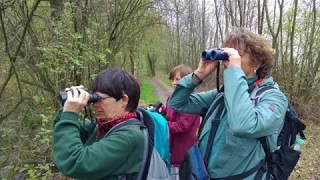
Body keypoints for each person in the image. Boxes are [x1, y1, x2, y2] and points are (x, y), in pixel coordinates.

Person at [168, 30, 288, 179]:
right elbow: (177, 103)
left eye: (238, 55)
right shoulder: (223, 94)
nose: (229, 60)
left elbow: (243, 125)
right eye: (228, 55)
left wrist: (234, 72)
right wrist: (199, 73)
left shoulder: (274, 98)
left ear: (257, 61)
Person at [53, 68, 145, 179]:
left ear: (123, 100)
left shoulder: (130, 136)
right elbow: (64, 135)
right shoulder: (104, 125)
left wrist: (70, 113)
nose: (94, 105)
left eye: (99, 99)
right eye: (93, 98)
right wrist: (67, 106)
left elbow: (74, 163)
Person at [164, 64, 201, 179]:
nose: (174, 82)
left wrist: (162, 124)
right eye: (173, 79)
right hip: (170, 147)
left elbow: (182, 126)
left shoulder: (192, 100)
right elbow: (167, 116)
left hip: (182, 151)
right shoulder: (171, 98)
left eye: (178, 79)